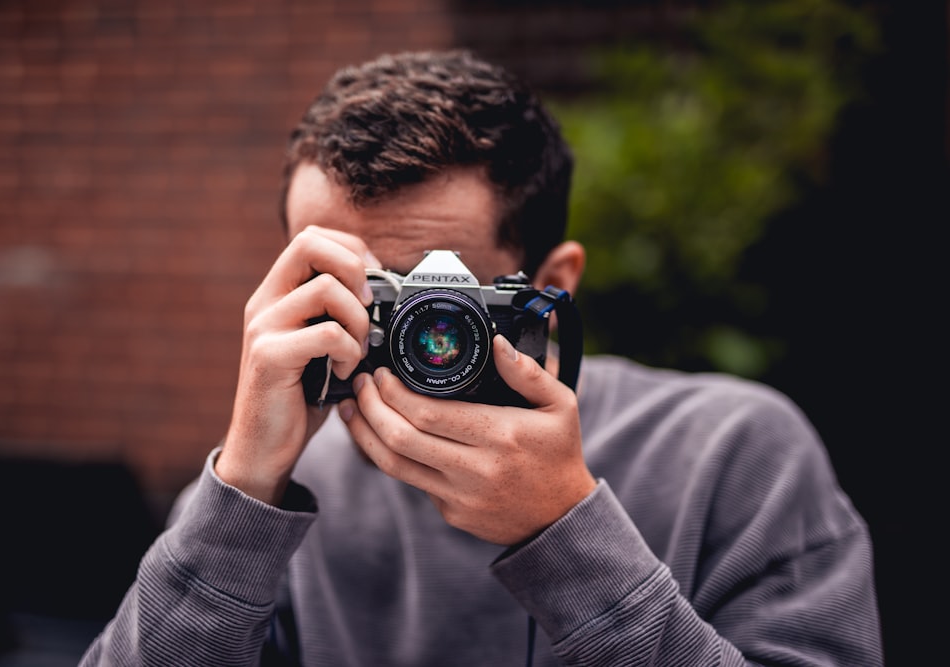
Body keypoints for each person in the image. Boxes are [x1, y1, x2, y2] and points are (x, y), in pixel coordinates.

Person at [80, 50, 882, 666]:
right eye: (351, 288)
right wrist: (242, 491)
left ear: (549, 288)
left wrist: (567, 530)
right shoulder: (262, 498)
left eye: (439, 296)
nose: (401, 338)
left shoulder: (733, 454)